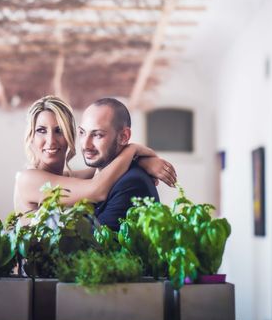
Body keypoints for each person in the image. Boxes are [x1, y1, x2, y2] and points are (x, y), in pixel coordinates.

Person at [13, 95, 176, 214]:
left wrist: (143, 162)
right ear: (31, 137)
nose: (51, 141)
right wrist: (133, 149)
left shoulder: (69, 178)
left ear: (71, 135)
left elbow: (106, 168)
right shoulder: (28, 180)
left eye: (59, 131)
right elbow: (97, 190)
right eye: (41, 131)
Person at [79, 97, 171, 230]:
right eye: (82, 132)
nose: (86, 145)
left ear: (123, 137)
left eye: (97, 135)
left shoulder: (132, 183)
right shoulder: (97, 174)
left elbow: (93, 245)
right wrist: (134, 152)